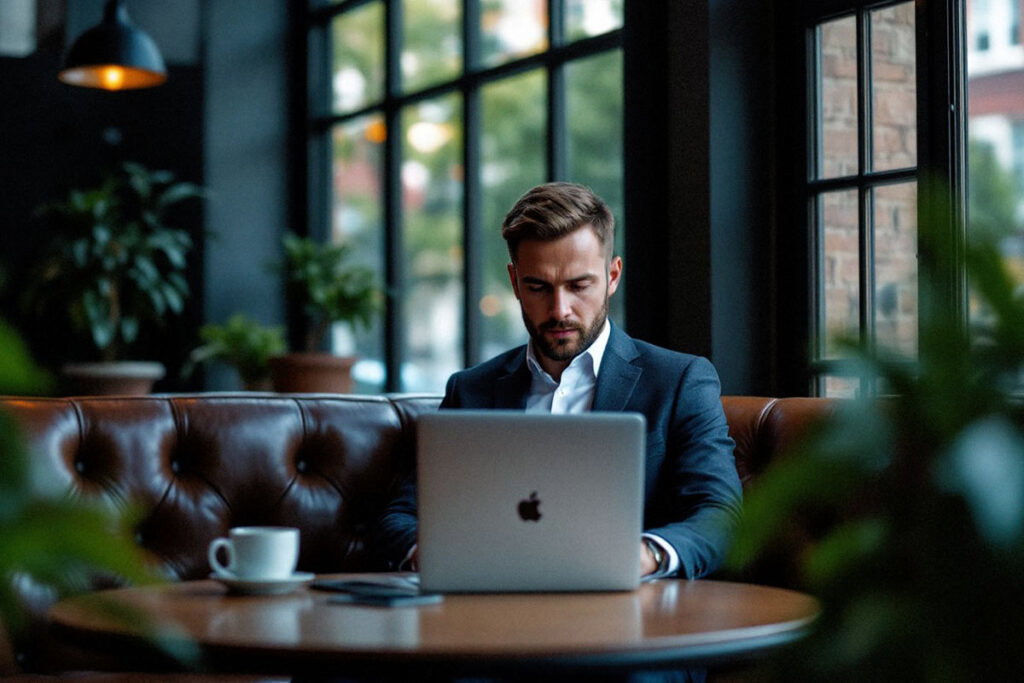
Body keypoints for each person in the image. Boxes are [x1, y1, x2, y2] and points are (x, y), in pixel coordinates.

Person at [374, 182, 743, 581]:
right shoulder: (471, 390)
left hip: (630, 616)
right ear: (515, 282)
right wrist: (425, 552)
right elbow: (402, 515)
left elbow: (720, 516)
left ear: (613, 276)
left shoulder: (680, 380)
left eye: (579, 285)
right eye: (538, 287)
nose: (559, 309)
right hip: (490, 613)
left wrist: (641, 555)